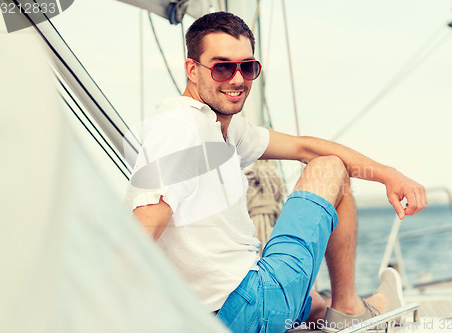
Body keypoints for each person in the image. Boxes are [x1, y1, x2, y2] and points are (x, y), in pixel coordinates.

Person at [125, 11, 427, 333]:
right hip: (245, 307)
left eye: (248, 67)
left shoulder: (221, 127)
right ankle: (352, 307)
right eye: (222, 67)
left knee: (316, 305)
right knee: (330, 168)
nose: (237, 79)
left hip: (227, 310)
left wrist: (387, 174)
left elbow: (302, 147)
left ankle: (365, 305)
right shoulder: (180, 129)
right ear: (192, 70)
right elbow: (139, 235)